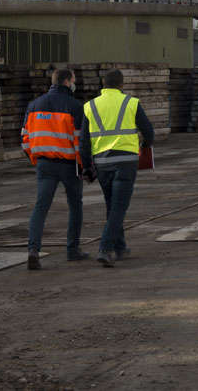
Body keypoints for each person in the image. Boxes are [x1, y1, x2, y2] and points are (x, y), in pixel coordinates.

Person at [23, 68, 94, 270]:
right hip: (69, 165)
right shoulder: (75, 107)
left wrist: (36, 159)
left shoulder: (34, 105)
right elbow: (81, 142)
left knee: (41, 207)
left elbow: (25, 139)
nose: (75, 83)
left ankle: (33, 250)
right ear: (66, 82)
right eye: (73, 80)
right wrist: (86, 167)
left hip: (44, 164)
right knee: (75, 206)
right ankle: (73, 250)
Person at [83, 68, 154, 268]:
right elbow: (149, 131)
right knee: (119, 208)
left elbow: (84, 142)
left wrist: (87, 166)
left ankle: (120, 247)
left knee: (112, 205)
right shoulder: (131, 103)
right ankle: (105, 249)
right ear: (121, 85)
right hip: (126, 162)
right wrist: (145, 145)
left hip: (102, 163)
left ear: (103, 85)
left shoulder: (89, 106)